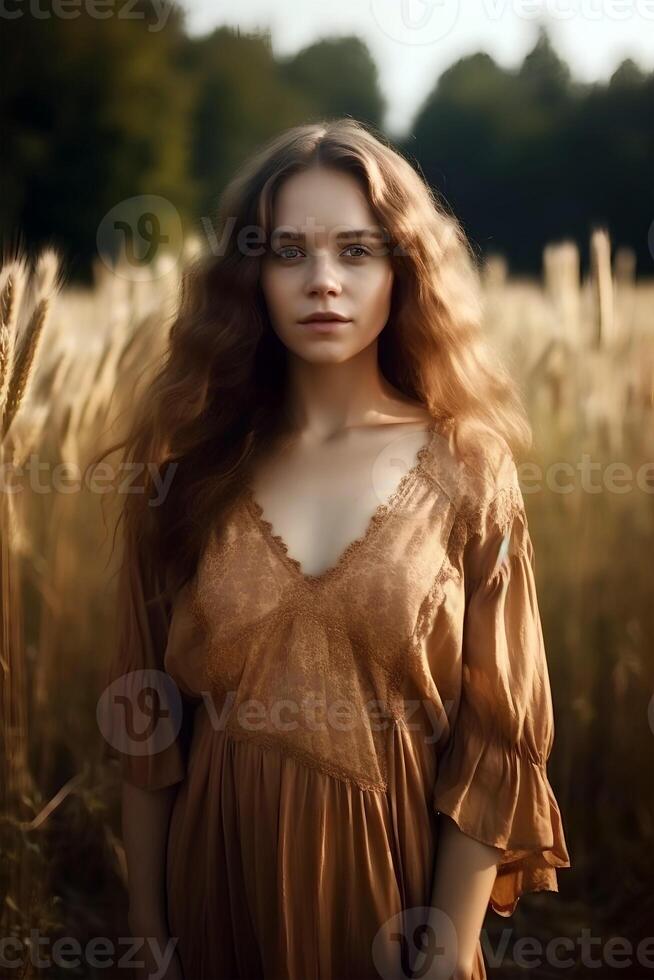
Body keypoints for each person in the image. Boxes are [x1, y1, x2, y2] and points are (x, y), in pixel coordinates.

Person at [99, 118, 571, 980]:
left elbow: (494, 736)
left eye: (357, 251)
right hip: (218, 894)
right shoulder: (184, 466)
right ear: (252, 275)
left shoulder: (469, 469)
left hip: (397, 905)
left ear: (403, 270)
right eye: (290, 253)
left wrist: (448, 948)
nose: (324, 282)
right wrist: (147, 934)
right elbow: (146, 723)